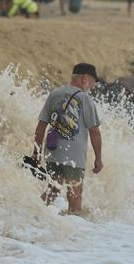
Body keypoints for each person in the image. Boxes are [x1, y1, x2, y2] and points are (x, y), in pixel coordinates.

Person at [32, 63, 103, 214]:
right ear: (84, 78)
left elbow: (41, 125)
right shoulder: (85, 99)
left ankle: (35, 217)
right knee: (75, 197)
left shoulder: (55, 93)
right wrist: (98, 158)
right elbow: (94, 132)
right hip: (74, 157)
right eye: (92, 82)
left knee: (51, 191)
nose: (93, 87)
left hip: (53, 152)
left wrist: (36, 151)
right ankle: (74, 233)